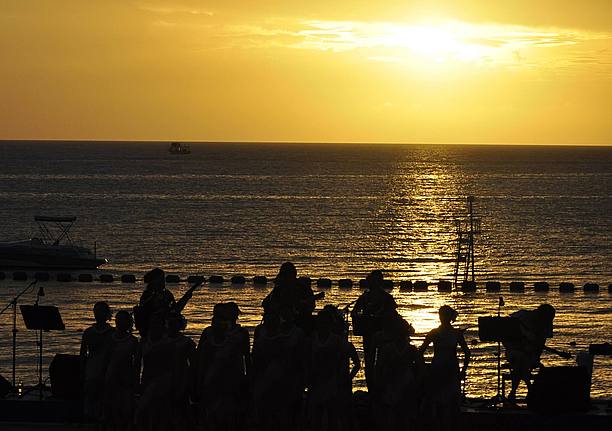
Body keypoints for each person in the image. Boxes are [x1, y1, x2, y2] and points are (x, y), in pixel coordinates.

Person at [196, 303, 248, 431]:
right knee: (211, 412)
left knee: (230, 413)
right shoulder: (208, 333)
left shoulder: (241, 333)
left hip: (232, 377)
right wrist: (198, 378)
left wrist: (247, 379)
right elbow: (200, 357)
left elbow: (246, 357)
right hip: (211, 376)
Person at [419, 305, 470, 431]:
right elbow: (420, 351)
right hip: (441, 369)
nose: (442, 318)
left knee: (450, 404)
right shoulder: (438, 333)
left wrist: (463, 370)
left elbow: (467, 352)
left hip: (448, 369)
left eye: (443, 315)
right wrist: (424, 368)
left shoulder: (442, 333)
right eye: (441, 315)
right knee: (438, 403)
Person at [374, 314, 424, 431]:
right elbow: (379, 367)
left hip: (406, 383)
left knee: (403, 416)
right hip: (391, 383)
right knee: (392, 416)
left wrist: (417, 384)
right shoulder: (388, 349)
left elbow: (421, 369)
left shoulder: (411, 350)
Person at [351, 270, 397, 390]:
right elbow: (354, 312)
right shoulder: (366, 297)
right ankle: (372, 388)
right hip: (369, 331)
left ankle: (380, 388)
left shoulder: (386, 298)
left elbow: (393, 314)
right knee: (370, 362)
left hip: (382, 333)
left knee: (381, 361)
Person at [504, 303, 556, 401]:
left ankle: (514, 392)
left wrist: (535, 357)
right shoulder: (522, 316)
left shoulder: (546, 324)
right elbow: (505, 332)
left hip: (529, 355)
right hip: (513, 352)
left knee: (521, 361)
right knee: (520, 357)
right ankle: (529, 388)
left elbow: (540, 345)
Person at [307, 309, 345, 431]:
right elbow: (307, 359)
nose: (323, 325)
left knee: (332, 416)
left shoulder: (337, 340)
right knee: (316, 416)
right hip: (316, 380)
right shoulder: (312, 339)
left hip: (332, 380)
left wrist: (341, 379)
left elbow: (342, 362)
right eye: (321, 322)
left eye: (326, 323)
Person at [104, 310, 141, 431]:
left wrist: (135, 380)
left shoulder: (133, 341)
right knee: (112, 409)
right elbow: (105, 360)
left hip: (126, 376)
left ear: (128, 323)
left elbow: (137, 363)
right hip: (111, 376)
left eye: (123, 320)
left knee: (126, 409)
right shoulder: (110, 339)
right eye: (118, 320)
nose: (119, 323)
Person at [80, 301, 115, 422]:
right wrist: (82, 371)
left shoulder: (113, 333)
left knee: (105, 398)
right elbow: (83, 353)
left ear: (106, 314)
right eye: (96, 311)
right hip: (92, 367)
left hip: (108, 369)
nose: (98, 314)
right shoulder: (88, 332)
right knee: (91, 396)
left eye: (101, 311)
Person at [166, 311, 197, 430]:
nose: (171, 326)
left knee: (181, 409)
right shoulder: (161, 340)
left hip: (181, 378)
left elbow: (194, 364)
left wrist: (190, 382)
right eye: (170, 323)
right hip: (164, 379)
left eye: (174, 323)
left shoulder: (186, 342)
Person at [134, 268, 177, 338]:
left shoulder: (167, 294)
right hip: (150, 330)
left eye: (163, 278)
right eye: (161, 279)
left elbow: (175, 309)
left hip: (164, 329)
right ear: (153, 281)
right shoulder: (147, 295)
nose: (163, 281)